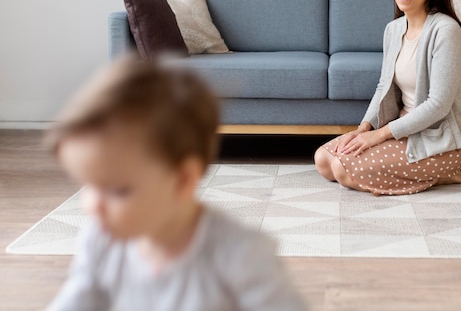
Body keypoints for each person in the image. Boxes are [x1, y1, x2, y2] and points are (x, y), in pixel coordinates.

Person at [46, 56, 308, 311]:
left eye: (117, 190)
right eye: (87, 185)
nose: (92, 206)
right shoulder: (101, 241)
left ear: (183, 180)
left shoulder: (241, 254)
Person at [315, 0, 461, 196]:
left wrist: (379, 136)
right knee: (324, 161)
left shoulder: (446, 31)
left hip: (439, 142)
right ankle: (431, 174)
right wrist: (364, 128)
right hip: (403, 130)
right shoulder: (394, 29)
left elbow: (438, 105)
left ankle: (445, 172)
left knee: (343, 169)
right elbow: (383, 86)